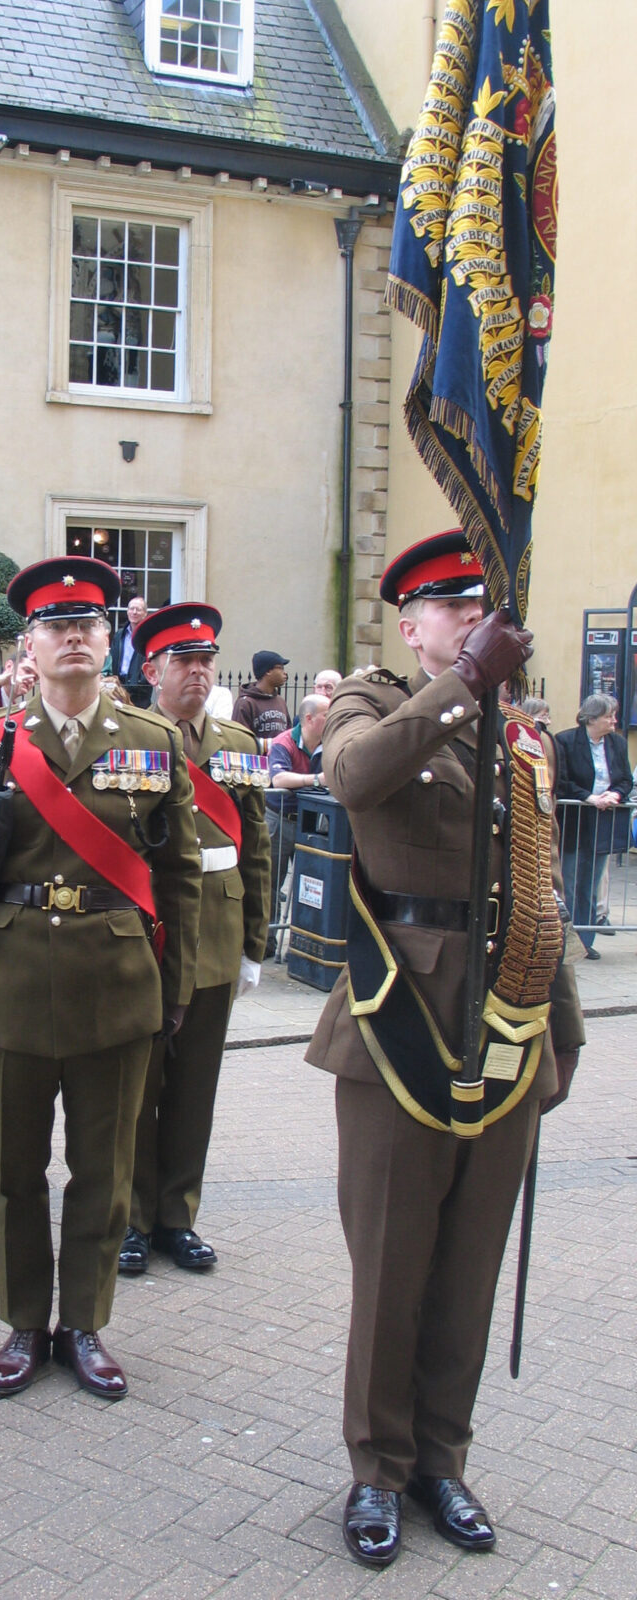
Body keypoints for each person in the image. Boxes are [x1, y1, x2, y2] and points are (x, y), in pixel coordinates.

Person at [305, 529, 584, 1570]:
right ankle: (376, 1467)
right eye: (451, 607)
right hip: (401, 1017)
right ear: (411, 624)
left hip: (508, 1009)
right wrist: (464, 683)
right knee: (393, 1263)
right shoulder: (372, 702)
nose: (474, 618)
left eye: (483, 606)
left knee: (469, 1260)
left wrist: (563, 1026)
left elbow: (539, 886)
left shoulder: (524, 738)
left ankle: (441, 1458)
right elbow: (356, 779)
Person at [0, 556, 201, 1400]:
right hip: (9, 986)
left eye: (87, 624)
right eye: (55, 625)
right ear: (29, 649)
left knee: (103, 1172)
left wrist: (177, 989)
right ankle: (21, 1322)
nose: (73, 636)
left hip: (117, 987)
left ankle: (82, 1324)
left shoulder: (152, 745)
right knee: (10, 1171)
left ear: (108, 641)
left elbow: (180, 877)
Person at [118, 603, 271, 1275]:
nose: (199, 673)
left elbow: (257, 846)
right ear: (152, 669)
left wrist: (254, 943)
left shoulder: (238, 746)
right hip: (147, 933)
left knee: (194, 1089)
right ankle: (130, 1216)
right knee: (135, 1087)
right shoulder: (127, 740)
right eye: (184, 661)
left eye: (207, 660)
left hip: (216, 929)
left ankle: (177, 1216)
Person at [553, 694, 633, 960]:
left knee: (592, 882)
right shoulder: (565, 741)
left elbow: (625, 779)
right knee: (571, 881)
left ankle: (585, 941)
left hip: (603, 821)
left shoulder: (618, 744)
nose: (614, 720)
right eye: (609, 715)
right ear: (592, 718)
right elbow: (561, 781)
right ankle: (564, 939)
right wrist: (589, 798)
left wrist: (615, 796)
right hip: (576, 819)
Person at [264, 696, 328, 958]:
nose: (333, 718)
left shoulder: (331, 742)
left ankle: (303, 944)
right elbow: (278, 777)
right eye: (327, 713)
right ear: (309, 718)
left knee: (310, 884)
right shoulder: (284, 742)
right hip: (279, 818)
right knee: (270, 882)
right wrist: (316, 780)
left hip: (312, 823)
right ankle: (267, 942)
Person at [234, 650, 291, 743]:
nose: (285, 673)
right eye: (280, 668)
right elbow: (240, 741)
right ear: (268, 671)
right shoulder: (246, 703)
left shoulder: (280, 701)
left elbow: (288, 734)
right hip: (256, 757)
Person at [104, 595, 151, 707]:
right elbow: (112, 658)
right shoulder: (120, 635)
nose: (134, 612)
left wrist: (141, 681)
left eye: (138, 609)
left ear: (145, 613)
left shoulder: (148, 637)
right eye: (131, 609)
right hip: (119, 687)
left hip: (139, 692)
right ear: (127, 611)